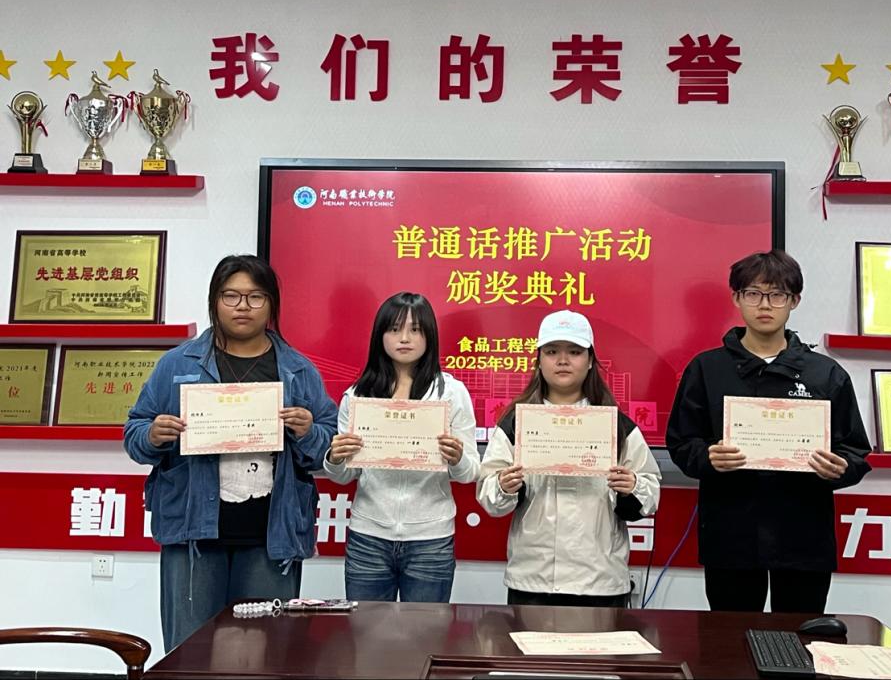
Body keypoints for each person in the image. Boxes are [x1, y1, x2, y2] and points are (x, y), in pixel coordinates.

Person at [124, 255, 337, 651]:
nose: (243, 306)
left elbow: (330, 446)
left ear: (271, 304)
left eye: (255, 297)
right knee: (189, 654)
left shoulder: (298, 370)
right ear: (215, 301)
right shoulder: (177, 364)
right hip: (193, 534)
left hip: (272, 537)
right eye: (231, 296)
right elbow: (134, 433)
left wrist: (309, 432)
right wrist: (153, 434)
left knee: (267, 652)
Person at [666, 249, 871, 613]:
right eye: (753, 293)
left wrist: (839, 467)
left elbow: (855, 450)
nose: (765, 304)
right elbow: (681, 442)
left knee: (798, 636)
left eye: (777, 294)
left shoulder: (825, 374)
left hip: (804, 535)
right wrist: (708, 457)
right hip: (730, 533)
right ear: (736, 298)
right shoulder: (707, 369)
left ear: (794, 301)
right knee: (730, 637)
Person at [477, 310, 661, 607]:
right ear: (539, 360)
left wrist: (633, 486)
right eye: (552, 352)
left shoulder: (617, 426)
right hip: (533, 577)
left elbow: (650, 493)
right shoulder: (516, 423)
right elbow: (489, 496)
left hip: (600, 579)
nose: (563, 360)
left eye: (574, 352)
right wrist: (503, 485)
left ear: (590, 361)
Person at [323, 292, 480, 602]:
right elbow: (344, 476)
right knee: (366, 630)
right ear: (380, 335)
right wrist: (335, 458)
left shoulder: (450, 393)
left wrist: (458, 458)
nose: (404, 338)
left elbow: (470, 473)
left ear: (429, 336)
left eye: (415, 330)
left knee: (425, 630)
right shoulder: (359, 395)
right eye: (394, 329)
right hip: (368, 536)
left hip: (431, 539)